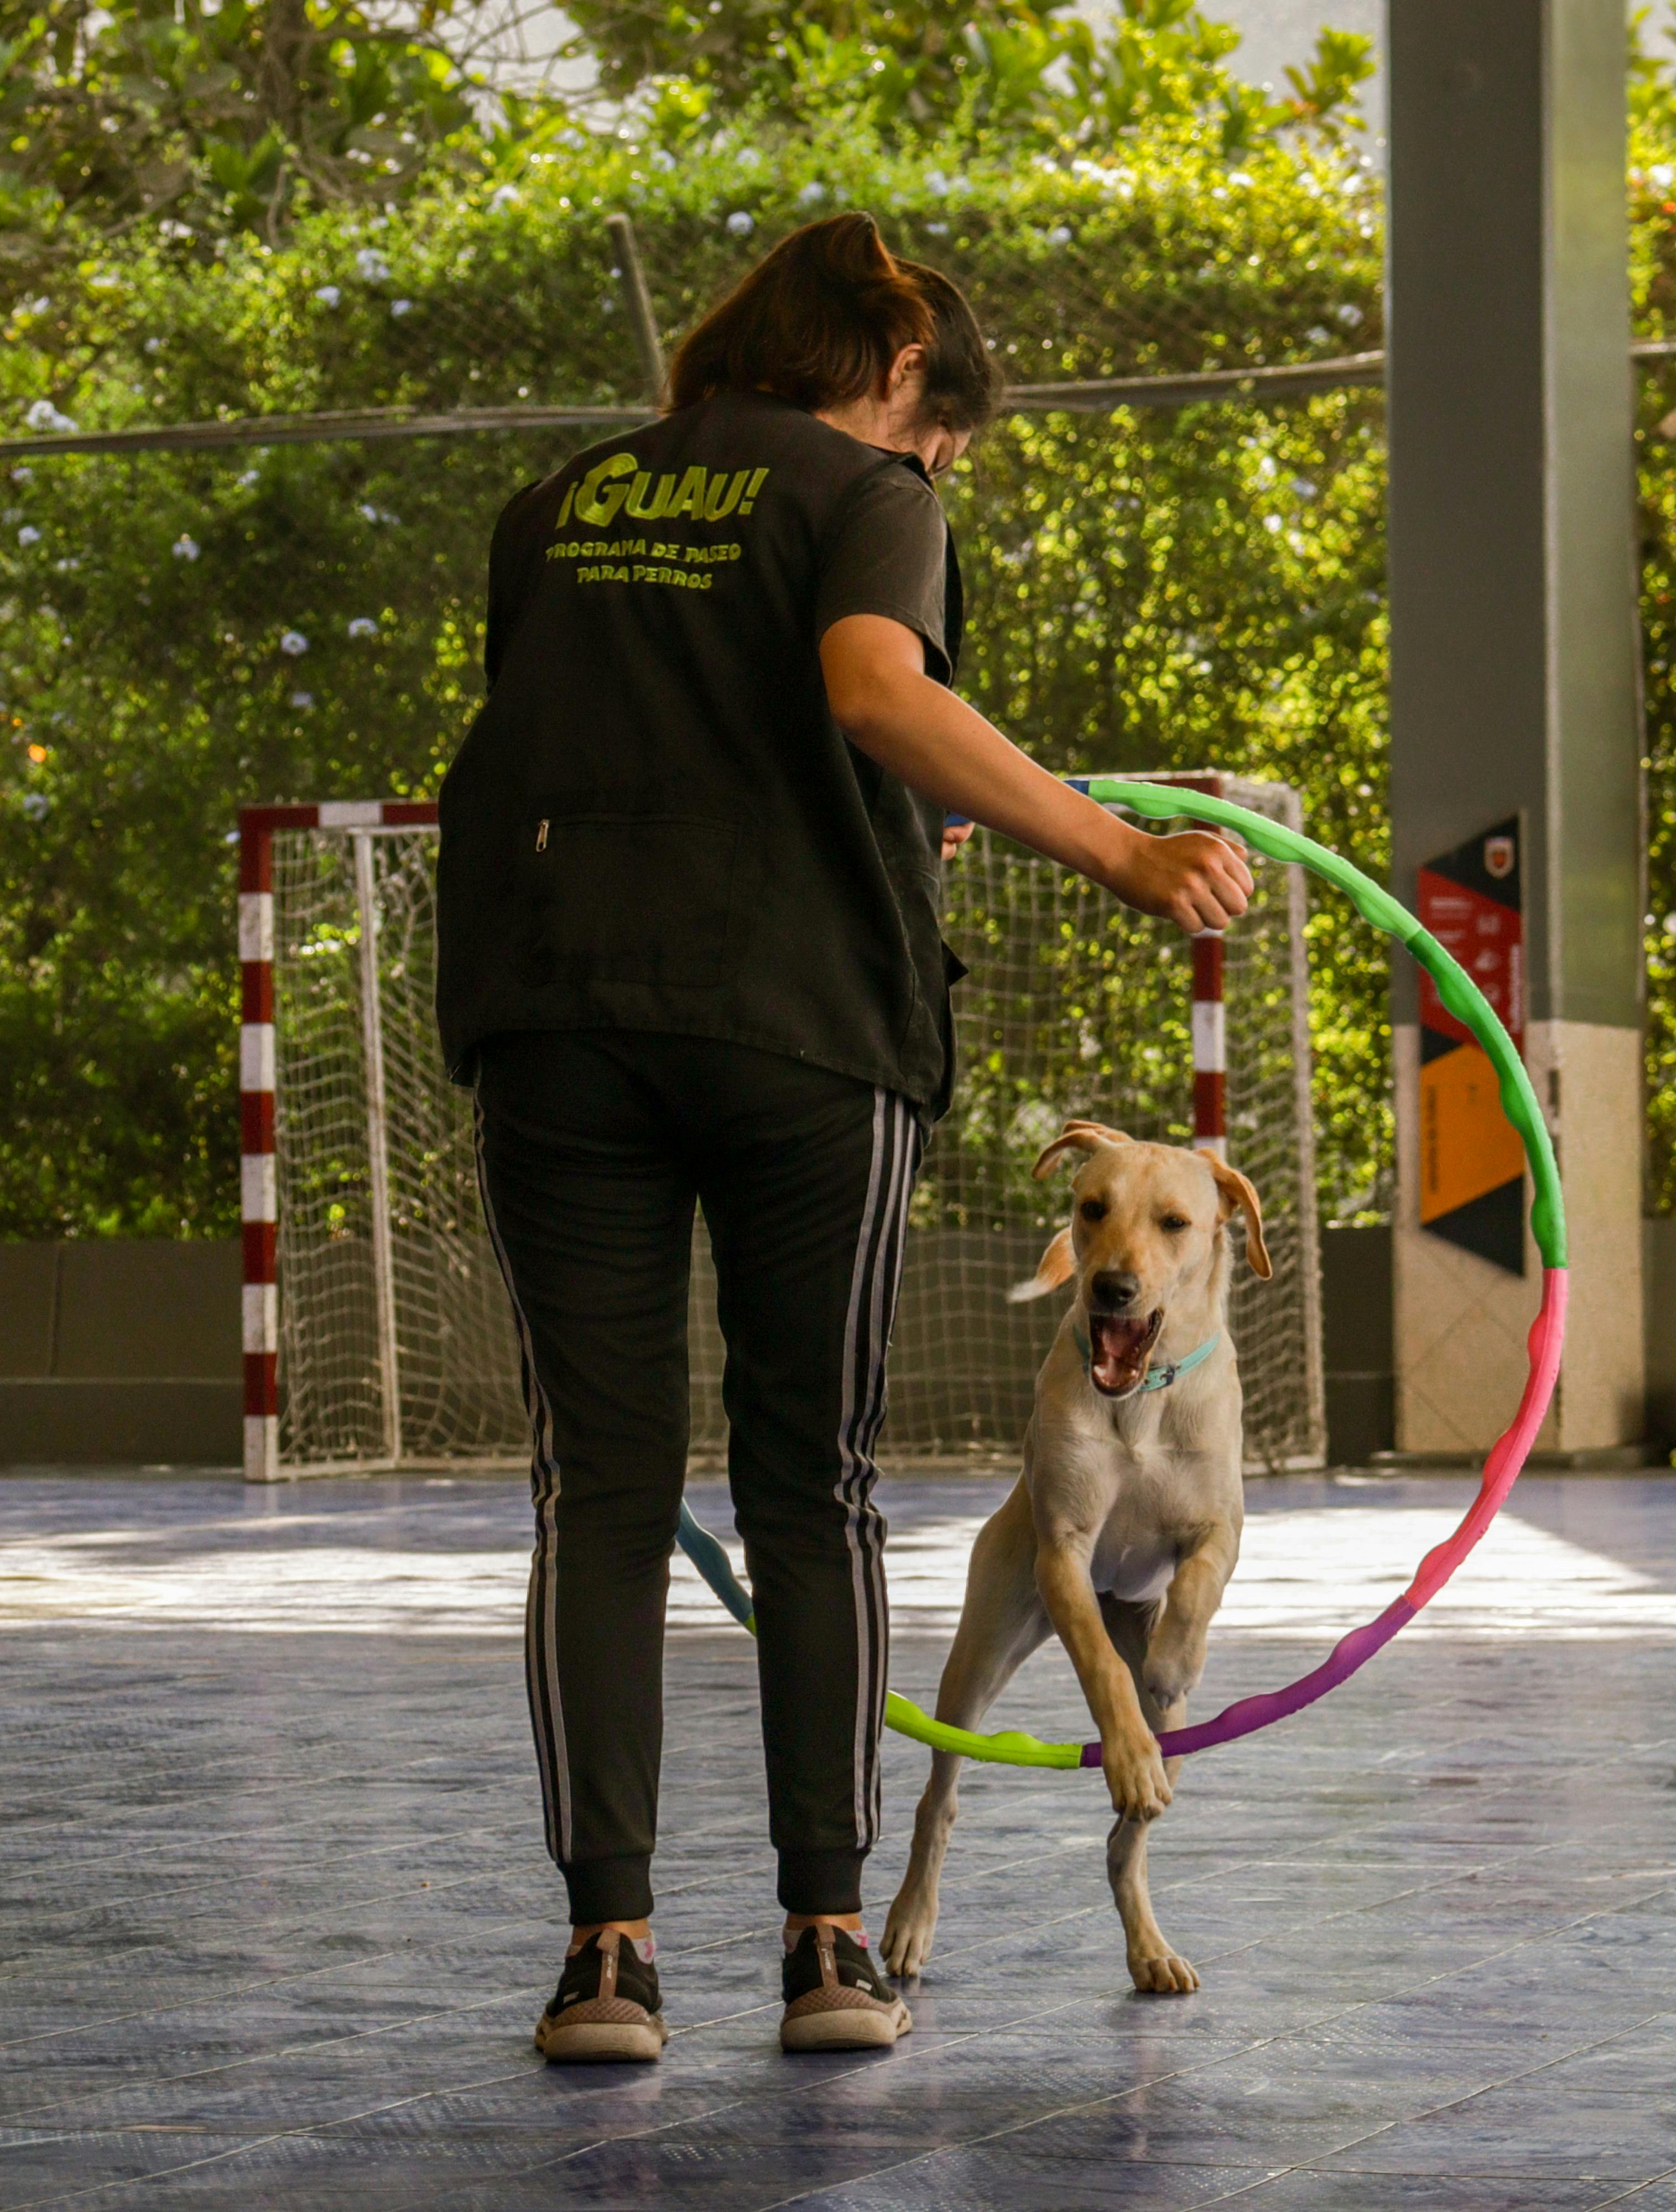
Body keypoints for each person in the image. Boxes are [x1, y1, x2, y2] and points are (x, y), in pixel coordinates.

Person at [434, 211, 1253, 2062]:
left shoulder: (557, 505)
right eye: (940, 436)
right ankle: (825, 1942)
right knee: (813, 1484)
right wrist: (1119, 849)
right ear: (895, 377)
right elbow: (877, 693)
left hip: (556, 1013)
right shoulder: (866, 488)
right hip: (797, 1027)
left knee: (602, 1491)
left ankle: (608, 1961)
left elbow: (638, 736)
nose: (933, 466)